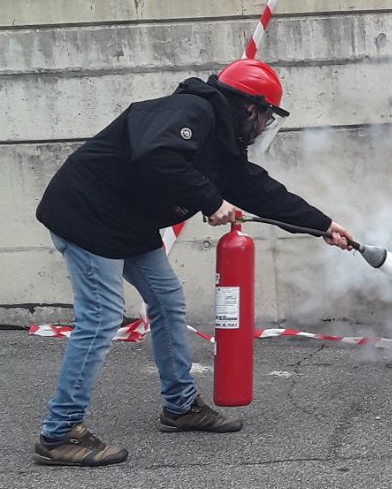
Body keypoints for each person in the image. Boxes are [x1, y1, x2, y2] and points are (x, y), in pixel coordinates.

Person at [33, 58, 355, 468]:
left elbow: (261, 191)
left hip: (127, 224)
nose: (263, 126)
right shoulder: (190, 111)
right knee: (101, 317)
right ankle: (58, 433)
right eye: (266, 115)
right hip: (88, 217)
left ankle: (180, 407)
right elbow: (157, 155)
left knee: (167, 301)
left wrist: (323, 225)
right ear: (249, 107)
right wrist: (212, 200)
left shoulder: (222, 145)